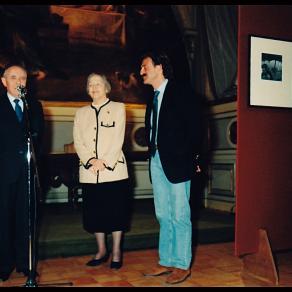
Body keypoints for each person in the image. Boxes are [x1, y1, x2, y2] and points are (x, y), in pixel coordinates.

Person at [139, 51, 202, 284]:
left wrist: (195, 159)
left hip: (179, 163)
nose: (141, 71)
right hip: (156, 161)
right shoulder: (153, 97)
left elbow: (196, 128)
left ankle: (182, 264)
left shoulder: (182, 93)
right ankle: (166, 260)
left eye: (144, 66)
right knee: (163, 214)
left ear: (159, 67)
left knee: (180, 215)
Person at [73, 73, 130, 270]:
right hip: (90, 172)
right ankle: (101, 250)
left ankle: (116, 252)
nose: (94, 87)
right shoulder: (80, 113)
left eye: (98, 84)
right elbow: (78, 141)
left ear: (106, 87)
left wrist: (104, 162)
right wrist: (91, 161)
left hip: (113, 171)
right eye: (90, 84)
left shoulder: (118, 108)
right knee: (95, 213)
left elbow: (118, 138)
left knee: (116, 212)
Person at [0, 63, 44, 282]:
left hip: (27, 172)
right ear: (4, 81)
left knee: (26, 219)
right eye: (14, 77)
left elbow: (39, 142)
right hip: (3, 173)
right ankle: (4, 264)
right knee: (3, 219)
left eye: (23, 78)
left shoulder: (34, 106)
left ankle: (25, 263)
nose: (19, 82)